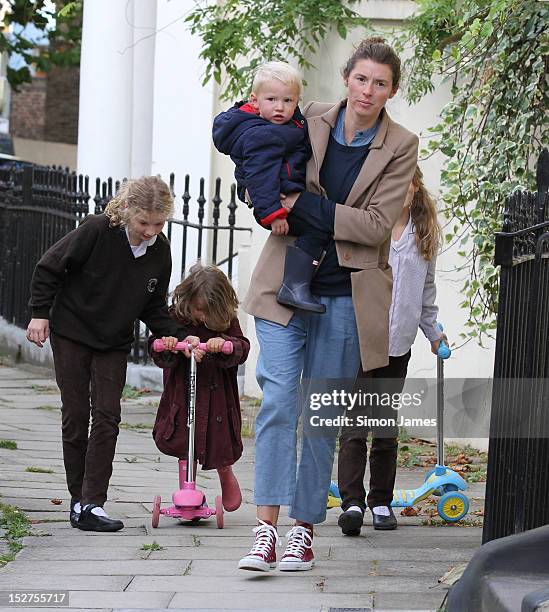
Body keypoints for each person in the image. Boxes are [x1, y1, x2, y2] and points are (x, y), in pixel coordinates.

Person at [238, 37, 419, 572]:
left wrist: (302, 205)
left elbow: (376, 226)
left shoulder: (401, 145)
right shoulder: (306, 115)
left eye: (380, 83)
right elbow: (250, 149)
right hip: (283, 285)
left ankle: (302, 530)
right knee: (278, 405)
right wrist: (260, 190)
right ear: (346, 79)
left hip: (345, 295)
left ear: (391, 91)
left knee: (319, 414)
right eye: (361, 78)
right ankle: (265, 530)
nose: (368, 90)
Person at [26, 176, 190, 532]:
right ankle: (77, 497)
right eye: (143, 222)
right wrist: (40, 314)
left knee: (107, 416)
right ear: (127, 211)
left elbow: (153, 306)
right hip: (72, 331)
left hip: (113, 340)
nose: (150, 231)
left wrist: (181, 337)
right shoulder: (98, 230)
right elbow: (49, 267)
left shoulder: (159, 251)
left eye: (158, 224)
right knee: (76, 413)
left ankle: (92, 502)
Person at [337, 166, 447, 536]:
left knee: (385, 426)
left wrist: (433, 333)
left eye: (405, 185)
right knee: (355, 424)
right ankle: (352, 501)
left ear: (416, 189)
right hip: (363, 341)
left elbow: (426, 294)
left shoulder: (423, 238)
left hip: (398, 346)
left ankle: (380, 501)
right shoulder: (372, 230)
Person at [213, 61, 331, 314]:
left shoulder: (278, 124)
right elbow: (260, 175)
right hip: (275, 202)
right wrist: (274, 213)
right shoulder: (263, 134)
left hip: (280, 195)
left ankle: (296, 284)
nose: (280, 107)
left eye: (289, 101)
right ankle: (294, 285)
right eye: (272, 99)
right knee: (318, 227)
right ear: (255, 101)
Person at [150, 264, 250, 512]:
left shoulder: (227, 322)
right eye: (198, 310)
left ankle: (225, 473)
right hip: (182, 395)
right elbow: (156, 345)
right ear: (188, 299)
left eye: (209, 312)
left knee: (220, 441)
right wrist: (169, 344)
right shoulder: (176, 318)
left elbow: (242, 347)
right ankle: (187, 489)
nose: (202, 317)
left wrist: (223, 343)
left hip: (217, 398)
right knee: (184, 440)